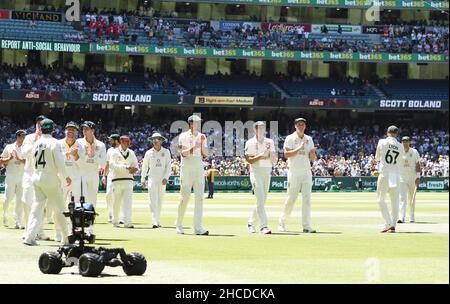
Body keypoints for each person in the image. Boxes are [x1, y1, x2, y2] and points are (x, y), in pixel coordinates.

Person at [23, 119, 72, 246]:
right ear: (52, 129)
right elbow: (59, 162)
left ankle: (29, 237)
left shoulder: (36, 143)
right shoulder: (54, 143)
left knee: (36, 208)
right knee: (60, 208)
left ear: (41, 129)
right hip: (50, 177)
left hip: (36, 176)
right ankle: (66, 239)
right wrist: (66, 176)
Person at [279, 118, 317, 233]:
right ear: (295, 126)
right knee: (291, 199)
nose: (301, 126)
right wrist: (299, 148)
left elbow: (312, 158)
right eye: (299, 125)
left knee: (307, 200)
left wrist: (312, 154)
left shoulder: (309, 139)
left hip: (306, 171)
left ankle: (306, 226)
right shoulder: (290, 138)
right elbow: (286, 155)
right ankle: (282, 222)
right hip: (294, 171)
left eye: (303, 125)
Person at [176, 114, 209, 235]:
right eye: (196, 122)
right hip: (186, 168)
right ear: (190, 124)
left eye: (199, 122)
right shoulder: (183, 136)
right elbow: (183, 154)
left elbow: (206, 154)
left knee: (199, 199)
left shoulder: (202, 136)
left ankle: (198, 228)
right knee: (184, 198)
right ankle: (179, 224)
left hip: (198, 168)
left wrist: (201, 146)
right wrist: (194, 146)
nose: (198, 124)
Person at [55, 122, 85, 242]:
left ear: (76, 132)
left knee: (76, 207)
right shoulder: (58, 144)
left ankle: (74, 232)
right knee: (59, 206)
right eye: (68, 130)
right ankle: (58, 232)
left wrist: (76, 156)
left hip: (75, 179)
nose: (70, 132)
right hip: (61, 179)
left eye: (73, 130)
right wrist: (67, 153)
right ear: (65, 131)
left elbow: (83, 165)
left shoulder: (80, 146)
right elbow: (55, 160)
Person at [245, 121, 277, 235]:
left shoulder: (270, 141)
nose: (262, 130)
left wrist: (270, 153)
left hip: (267, 172)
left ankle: (250, 223)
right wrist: (262, 154)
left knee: (262, 201)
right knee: (260, 199)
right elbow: (250, 160)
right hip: (255, 172)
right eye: (260, 128)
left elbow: (273, 160)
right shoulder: (250, 143)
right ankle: (264, 226)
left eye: (263, 128)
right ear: (255, 130)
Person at [21, 115, 49, 240]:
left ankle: (40, 231)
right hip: (29, 173)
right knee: (27, 201)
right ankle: (28, 230)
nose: (40, 125)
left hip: (42, 174)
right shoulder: (28, 138)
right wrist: (36, 143)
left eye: (42, 123)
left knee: (40, 204)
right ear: (36, 125)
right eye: (38, 123)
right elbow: (23, 153)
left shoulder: (49, 139)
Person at [375, 125, 404, 233]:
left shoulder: (382, 142)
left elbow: (377, 158)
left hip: (385, 173)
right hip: (395, 174)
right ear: (396, 134)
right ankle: (393, 225)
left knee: (381, 200)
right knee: (395, 201)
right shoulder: (401, 146)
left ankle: (388, 222)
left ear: (387, 133)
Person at [141, 132, 171, 228]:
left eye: (157, 139)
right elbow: (145, 167)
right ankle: (155, 221)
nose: (155, 141)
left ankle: (157, 220)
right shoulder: (148, 153)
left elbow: (168, 166)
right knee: (153, 200)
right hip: (152, 178)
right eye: (153, 139)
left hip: (162, 179)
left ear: (161, 140)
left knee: (159, 200)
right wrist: (142, 179)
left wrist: (166, 177)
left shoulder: (166, 152)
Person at [109, 135, 138, 228]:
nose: (127, 144)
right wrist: (125, 167)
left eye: (128, 142)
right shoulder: (114, 152)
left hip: (128, 180)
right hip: (117, 180)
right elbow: (112, 165)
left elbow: (136, 166)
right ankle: (115, 221)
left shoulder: (132, 153)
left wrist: (134, 169)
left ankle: (128, 222)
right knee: (116, 202)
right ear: (121, 142)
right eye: (126, 142)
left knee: (128, 202)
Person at [76, 121, 106, 207]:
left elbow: (103, 163)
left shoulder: (101, 145)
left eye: (87, 129)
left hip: (93, 174)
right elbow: (76, 160)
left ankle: (91, 218)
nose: (84, 131)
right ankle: (82, 217)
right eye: (83, 129)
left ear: (92, 131)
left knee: (93, 198)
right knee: (82, 197)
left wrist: (94, 156)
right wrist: (86, 155)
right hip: (81, 174)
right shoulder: (78, 142)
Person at [0, 130, 26, 228]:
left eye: (24, 136)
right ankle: (5, 215)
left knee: (20, 200)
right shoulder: (9, 147)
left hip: (22, 176)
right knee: (8, 198)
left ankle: (18, 221)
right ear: (17, 137)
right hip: (10, 176)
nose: (24, 138)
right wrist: (9, 159)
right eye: (22, 136)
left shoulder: (26, 148)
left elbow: (30, 162)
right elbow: (1, 161)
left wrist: (20, 160)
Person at [398, 136, 421, 223]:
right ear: (401, 142)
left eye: (407, 141)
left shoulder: (414, 152)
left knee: (412, 198)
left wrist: (418, 177)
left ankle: (412, 216)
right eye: (404, 141)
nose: (405, 143)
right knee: (402, 198)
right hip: (402, 178)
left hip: (413, 177)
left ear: (409, 142)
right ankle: (401, 217)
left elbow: (418, 164)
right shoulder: (399, 151)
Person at [102, 134, 120, 223]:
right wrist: (104, 176)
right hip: (110, 175)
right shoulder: (109, 150)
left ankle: (118, 215)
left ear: (116, 140)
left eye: (111, 140)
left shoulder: (122, 149)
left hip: (120, 175)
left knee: (118, 196)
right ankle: (110, 214)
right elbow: (107, 163)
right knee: (108, 195)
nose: (109, 141)